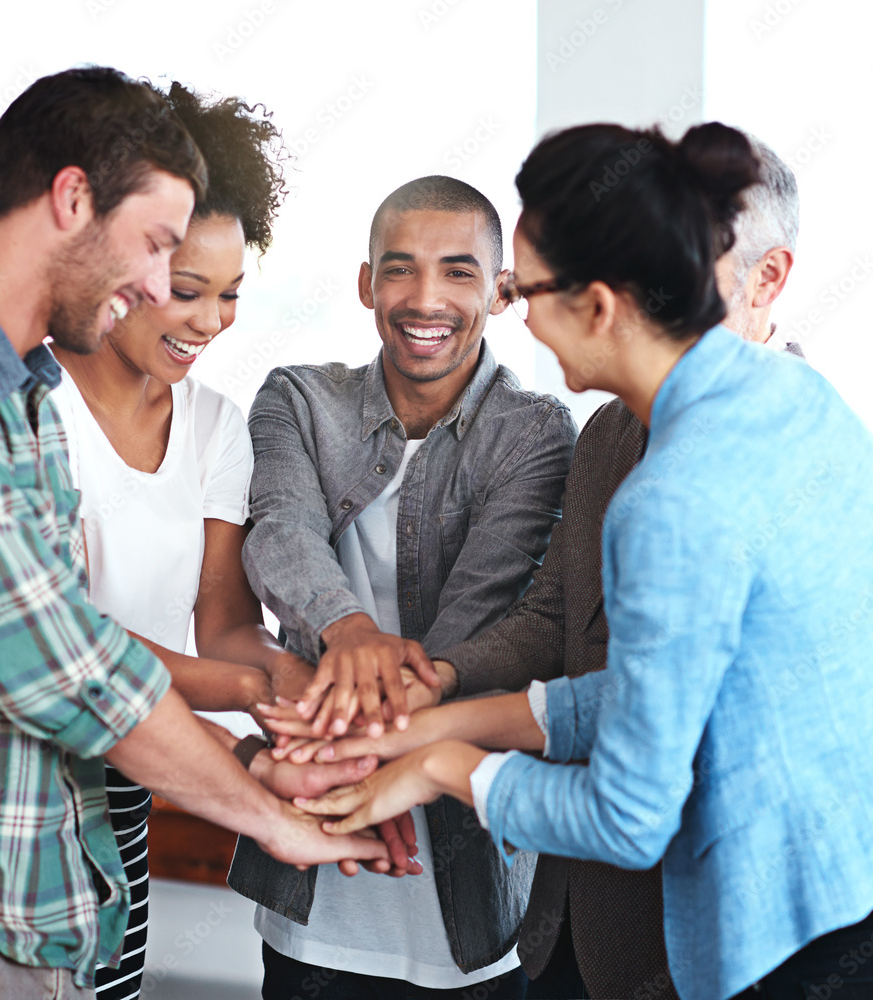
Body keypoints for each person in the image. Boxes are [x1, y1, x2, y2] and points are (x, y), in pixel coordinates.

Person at [292, 124, 873, 1000]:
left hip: (771, 951)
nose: (515, 312)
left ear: (600, 305)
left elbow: (629, 817)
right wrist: (431, 728)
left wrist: (445, 769)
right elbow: (660, 686)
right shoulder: (791, 401)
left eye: (527, 291)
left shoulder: (673, 497)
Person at [0, 66, 389, 1000]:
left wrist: (258, 738)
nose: (159, 285)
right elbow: (68, 665)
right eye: (157, 248)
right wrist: (267, 809)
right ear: (73, 198)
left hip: (47, 893)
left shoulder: (8, 387)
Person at [228, 175, 578, 998]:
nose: (426, 298)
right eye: (399, 269)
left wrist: (366, 722)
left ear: (501, 292)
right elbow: (280, 535)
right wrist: (348, 629)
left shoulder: (537, 430)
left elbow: (482, 618)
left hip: (473, 887)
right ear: (365, 283)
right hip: (313, 881)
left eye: (458, 272)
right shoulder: (298, 399)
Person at [47, 81, 336, 1000]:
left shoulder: (216, 426)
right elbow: (65, 648)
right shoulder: (28, 406)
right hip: (13, 788)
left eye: (233, 294)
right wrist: (256, 699)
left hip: (132, 783)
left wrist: (311, 700)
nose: (211, 322)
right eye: (187, 290)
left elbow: (221, 627)